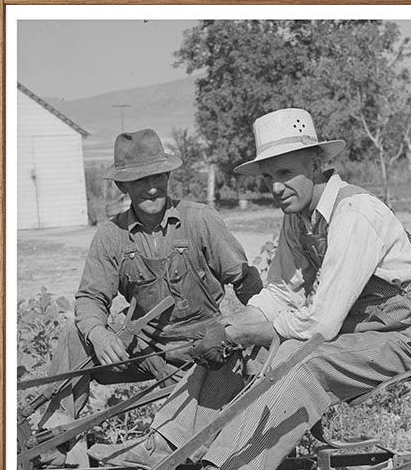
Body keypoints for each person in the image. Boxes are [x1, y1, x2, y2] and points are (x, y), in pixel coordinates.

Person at [139, 107, 411, 470]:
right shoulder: (299, 218)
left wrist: (249, 332)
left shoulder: (355, 215)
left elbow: (320, 324)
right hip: (355, 323)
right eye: (268, 177)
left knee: (303, 363)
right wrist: (229, 328)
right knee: (242, 347)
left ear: (318, 165)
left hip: (399, 332)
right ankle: (167, 446)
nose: (276, 187)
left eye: (285, 173)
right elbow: (279, 292)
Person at [43, 128, 262, 428]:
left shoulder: (199, 220)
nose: (151, 189)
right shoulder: (111, 235)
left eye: (157, 177)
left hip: (205, 349)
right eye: (139, 180)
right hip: (144, 351)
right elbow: (91, 299)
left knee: (198, 437)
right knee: (75, 334)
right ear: (123, 186)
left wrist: (260, 337)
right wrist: (99, 333)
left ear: (168, 177)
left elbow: (247, 283)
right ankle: (56, 437)